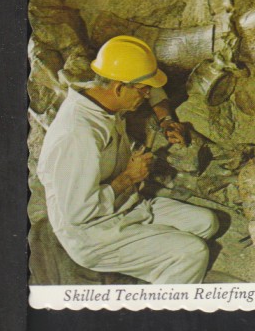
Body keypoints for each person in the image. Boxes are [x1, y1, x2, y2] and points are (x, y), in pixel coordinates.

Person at [37, 35, 219, 284]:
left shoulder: (98, 94)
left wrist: (166, 120)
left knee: (207, 223)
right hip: (92, 232)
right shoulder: (77, 134)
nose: (147, 94)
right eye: (142, 90)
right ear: (118, 88)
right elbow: (78, 212)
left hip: (126, 205)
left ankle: (155, 257)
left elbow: (153, 89)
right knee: (193, 252)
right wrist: (129, 177)